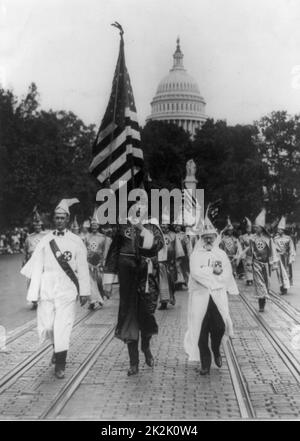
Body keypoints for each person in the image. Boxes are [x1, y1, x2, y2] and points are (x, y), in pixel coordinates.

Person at [21, 198, 90, 379]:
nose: (59, 221)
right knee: (49, 326)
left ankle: (60, 363)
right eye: (57, 218)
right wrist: (33, 293)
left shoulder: (76, 241)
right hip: (48, 288)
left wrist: (84, 292)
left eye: (62, 218)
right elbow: (36, 267)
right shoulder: (46, 240)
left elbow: (82, 267)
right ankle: (56, 348)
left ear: (67, 219)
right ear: (54, 219)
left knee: (63, 327)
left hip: (67, 289)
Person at [103, 205, 164, 376]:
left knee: (146, 316)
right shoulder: (123, 227)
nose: (138, 212)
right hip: (127, 278)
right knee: (129, 317)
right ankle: (134, 362)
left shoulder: (153, 226)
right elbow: (114, 252)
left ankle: (145, 345)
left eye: (142, 209)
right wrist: (108, 280)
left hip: (147, 280)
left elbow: (156, 246)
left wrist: (141, 229)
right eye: (135, 208)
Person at [184, 214, 239, 375]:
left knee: (220, 327)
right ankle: (205, 364)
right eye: (205, 238)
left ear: (215, 238)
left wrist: (213, 279)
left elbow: (226, 274)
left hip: (217, 297)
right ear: (201, 239)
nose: (209, 241)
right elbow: (196, 273)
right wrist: (212, 274)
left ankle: (216, 348)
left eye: (211, 238)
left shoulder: (220, 254)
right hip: (200, 298)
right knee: (201, 330)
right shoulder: (196, 255)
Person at [249, 209, 281, 312]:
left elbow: (272, 251)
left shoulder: (268, 239)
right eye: (254, 227)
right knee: (259, 283)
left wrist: (274, 263)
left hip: (267, 264)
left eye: (257, 227)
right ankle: (261, 304)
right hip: (256, 263)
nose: (255, 229)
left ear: (261, 228)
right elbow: (250, 251)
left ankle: (263, 302)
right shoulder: (252, 238)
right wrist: (250, 261)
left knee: (266, 284)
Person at [23, 208, 48, 310]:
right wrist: (24, 262)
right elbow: (25, 251)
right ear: (33, 225)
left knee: (44, 281)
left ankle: (43, 299)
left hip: (44, 263)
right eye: (35, 224)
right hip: (32, 263)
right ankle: (35, 300)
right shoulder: (29, 238)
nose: (37, 226)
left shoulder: (46, 236)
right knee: (32, 281)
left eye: (39, 224)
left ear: (41, 225)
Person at [84, 209, 108, 310]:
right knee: (90, 282)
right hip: (88, 263)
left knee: (99, 281)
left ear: (98, 226)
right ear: (91, 226)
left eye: (96, 225)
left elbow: (104, 250)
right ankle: (92, 301)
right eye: (92, 225)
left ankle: (100, 297)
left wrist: (102, 262)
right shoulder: (87, 236)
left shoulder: (103, 237)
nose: (94, 227)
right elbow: (84, 249)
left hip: (98, 263)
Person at [157, 221, 176, 310]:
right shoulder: (156, 235)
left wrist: (173, 261)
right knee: (161, 283)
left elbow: (174, 249)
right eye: (162, 224)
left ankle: (171, 297)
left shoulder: (171, 236)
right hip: (158, 261)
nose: (163, 226)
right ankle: (164, 301)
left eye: (165, 224)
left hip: (168, 262)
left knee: (171, 282)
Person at [274, 216, 296, 293]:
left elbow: (292, 248)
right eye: (278, 229)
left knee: (286, 272)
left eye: (280, 229)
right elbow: (273, 249)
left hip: (286, 257)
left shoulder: (288, 238)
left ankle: (285, 287)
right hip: (278, 257)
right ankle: (282, 286)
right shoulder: (275, 239)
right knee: (279, 272)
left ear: (283, 230)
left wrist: (291, 257)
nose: (279, 230)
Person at [174, 223, 190, 290]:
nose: (177, 228)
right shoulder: (173, 235)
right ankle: (179, 284)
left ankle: (188, 283)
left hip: (184, 254)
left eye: (178, 226)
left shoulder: (184, 235)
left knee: (185, 270)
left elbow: (188, 244)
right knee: (178, 269)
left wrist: (189, 253)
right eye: (176, 227)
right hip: (175, 254)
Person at [239, 217, 254, 286]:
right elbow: (241, 246)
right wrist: (242, 254)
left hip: (252, 253)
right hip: (246, 253)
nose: (249, 231)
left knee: (251, 266)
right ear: (246, 229)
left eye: (250, 229)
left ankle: (252, 278)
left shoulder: (254, 236)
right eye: (247, 229)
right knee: (246, 266)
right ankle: (248, 279)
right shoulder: (243, 237)